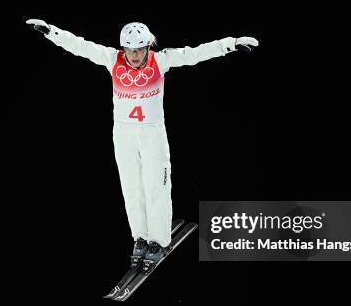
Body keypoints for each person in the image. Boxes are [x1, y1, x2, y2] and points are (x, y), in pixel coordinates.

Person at [26, 19, 258, 264]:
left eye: (139, 49)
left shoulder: (161, 60)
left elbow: (195, 54)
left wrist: (230, 44)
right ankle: (140, 236)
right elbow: (80, 46)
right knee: (132, 187)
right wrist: (51, 32)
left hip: (152, 134)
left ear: (148, 47)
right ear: (123, 48)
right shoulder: (111, 59)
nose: (134, 55)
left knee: (155, 187)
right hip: (124, 133)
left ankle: (158, 239)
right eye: (129, 49)